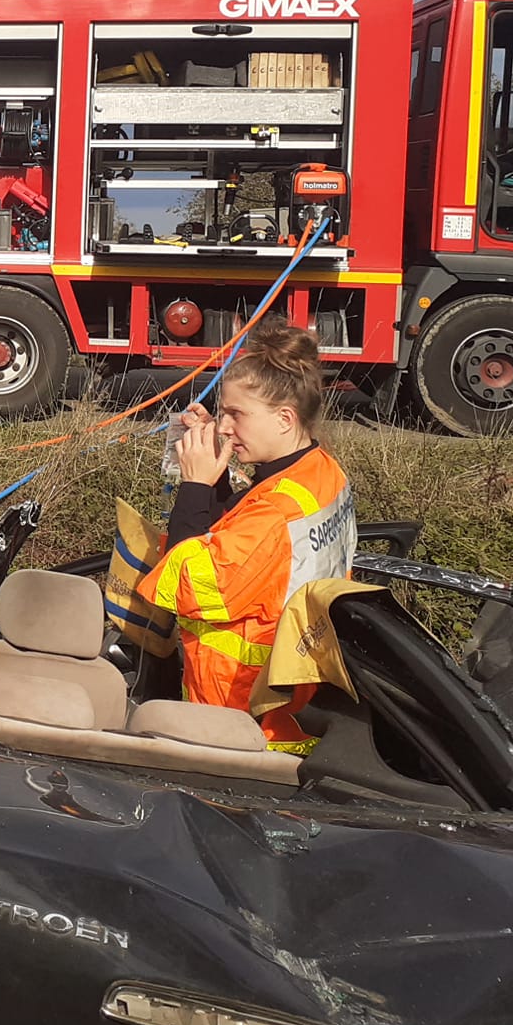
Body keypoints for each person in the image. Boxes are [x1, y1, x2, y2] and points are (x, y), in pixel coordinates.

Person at [137, 320, 358, 751]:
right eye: (222, 413)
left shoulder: (275, 513)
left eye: (237, 415)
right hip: (292, 704)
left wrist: (196, 486)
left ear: (284, 418)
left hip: (243, 722)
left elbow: (186, 587)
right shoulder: (318, 472)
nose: (223, 427)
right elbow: (241, 545)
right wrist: (218, 478)